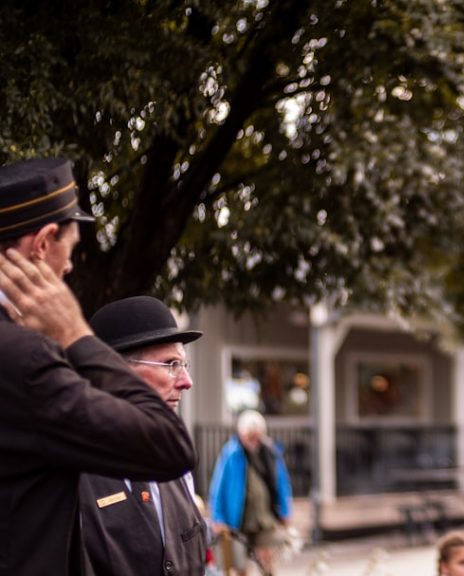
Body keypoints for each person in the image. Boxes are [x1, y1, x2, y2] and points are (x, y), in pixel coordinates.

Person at [0, 157, 196, 575]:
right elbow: (170, 446)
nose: (69, 268)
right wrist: (75, 334)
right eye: (69, 251)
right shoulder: (24, 358)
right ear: (43, 243)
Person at [77, 296, 208, 575]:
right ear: (115, 372)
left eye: (185, 365)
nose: (186, 382)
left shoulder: (177, 466)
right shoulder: (69, 475)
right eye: (171, 364)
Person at [209, 409, 293, 575]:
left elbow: (282, 483)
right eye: (250, 437)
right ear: (241, 434)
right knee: (239, 566)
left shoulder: (270, 452)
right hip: (237, 520)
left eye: (257, 436)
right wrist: (218, 517)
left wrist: (285, 511)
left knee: (267, 563)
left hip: (264, 518)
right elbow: (218, 487)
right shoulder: (231, 453)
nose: (253, 441)